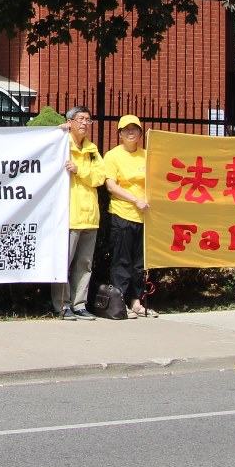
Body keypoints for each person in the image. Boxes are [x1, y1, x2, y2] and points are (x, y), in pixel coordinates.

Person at [52, 106, 105, 320]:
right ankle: (62, 305)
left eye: (88, 120)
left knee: (84, 264)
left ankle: (79, 304)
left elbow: (99, 177)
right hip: (69, 215)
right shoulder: (62, 143)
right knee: (63, 262)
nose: (84, 123)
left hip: (90, 216)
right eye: (80, 119)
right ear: (70, 121)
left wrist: (79, 170)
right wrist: (59, 130)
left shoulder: (92, 149)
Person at [103, 114, 155, 319]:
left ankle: (136, 301)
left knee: (139, 263)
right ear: (120, 134)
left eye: (135, 129)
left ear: (140, 133)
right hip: (122, 214)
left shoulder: (147, 155)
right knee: (121, 261)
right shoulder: (112, 156)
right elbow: (111, 185)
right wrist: (135, 200)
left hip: (144, 217)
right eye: (126, 129)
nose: (131, 133)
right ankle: (120, 302)